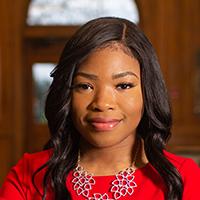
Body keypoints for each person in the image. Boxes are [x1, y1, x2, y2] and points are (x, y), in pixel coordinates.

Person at [0, 17, 199, 200]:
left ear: (148, 92)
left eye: (123, 85)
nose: (102, 103)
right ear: (67, 93)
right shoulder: (29, 174)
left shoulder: (183, 178)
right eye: (85, 86)